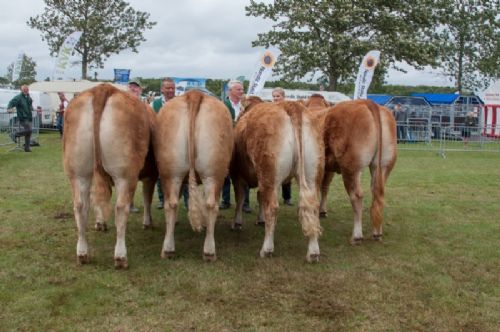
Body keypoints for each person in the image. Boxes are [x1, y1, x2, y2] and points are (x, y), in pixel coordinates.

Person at [150, 78, 189, 210]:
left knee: (185, 171)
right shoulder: (154, 104)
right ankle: (163, 199)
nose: (171, 90)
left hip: (179, 141)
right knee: (161, 173)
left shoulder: (181, 103)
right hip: (162, 143)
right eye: (168, 88)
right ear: (162, 89)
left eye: (173, 88)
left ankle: (186, 200)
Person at [220, 80, 251, 213]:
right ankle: (225, 201)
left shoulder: (246, 105)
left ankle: (245, 203)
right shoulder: (224, 105)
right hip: (229, 143)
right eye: (239, 89)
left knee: (245, 173)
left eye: (242, 89)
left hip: (243, 145)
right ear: (230, 91)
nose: (242, 92)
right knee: (225, 173)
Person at [272, 87, 293, 206]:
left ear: (283, 97)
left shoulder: (288, 108)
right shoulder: (270, 108)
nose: (275, 98)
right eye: (274, 96)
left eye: (278, 96)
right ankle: (274, 195)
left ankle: (287, 197)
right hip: (274, 139)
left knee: (287, 170)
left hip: (287, 139)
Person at [7, 85, 33, 152]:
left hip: (29, 117)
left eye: (27, 89)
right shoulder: (18, 97)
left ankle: (27, 148)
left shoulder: (28, 97)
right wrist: (9, 108)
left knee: (29, 133)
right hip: (22, 117)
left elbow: (29, 106)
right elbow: (11, 102)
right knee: (29, 130)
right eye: (24, 89)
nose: (26, 90)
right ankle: (14, 134)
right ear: (21, 90)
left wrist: (33, 108)